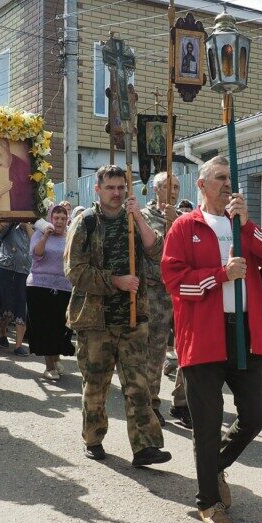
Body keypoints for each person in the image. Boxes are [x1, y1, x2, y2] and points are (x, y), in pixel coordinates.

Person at [162, 156, 262, 523]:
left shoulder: (242, 226)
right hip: (203, 334)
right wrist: (220, 275)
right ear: (201, 186)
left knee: (255, 413)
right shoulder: (185, 227)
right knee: (207, 421)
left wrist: (248, 225)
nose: (227, 184)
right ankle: (208, 502)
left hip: (246, 332)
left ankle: (213, 468)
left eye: (229, 178)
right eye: (219, 178)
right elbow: (175, 282)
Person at [64, 164, 170, 467]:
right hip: (95, 320)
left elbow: (156, 252)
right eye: (110, 188)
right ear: (97, 190)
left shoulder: (133, 219)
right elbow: (74, 271)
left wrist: (138, 217)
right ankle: (93, 437)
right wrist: (115, 281)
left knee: (138, 384)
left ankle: (145, 446)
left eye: (121, 187)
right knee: (96, 383)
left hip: (134, 317)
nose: (117, 193)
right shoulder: (85, 223)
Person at [141, 172, 191, 427]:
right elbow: (152, 251)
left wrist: (176, 223)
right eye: (168, 186)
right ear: (156, 189)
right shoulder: (143, 217)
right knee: (156, 351)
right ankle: (151, 403)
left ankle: (182, 402)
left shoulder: (184, 219)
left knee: (187, 350)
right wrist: (168, 226)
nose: (173, 191)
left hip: (182, 292)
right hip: (156, 292)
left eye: (177, 187)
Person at [27, 203, 74, 382]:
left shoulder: (70, 235)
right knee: (45, 327)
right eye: (56, 218)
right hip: (39, 287)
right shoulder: (40, 232)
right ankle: (49, 366)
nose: (60, 221)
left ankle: (56, 357)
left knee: (60, 327)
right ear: (50, 219)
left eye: (63, 218)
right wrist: (46, 235)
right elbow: (36, 254)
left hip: (64, 287)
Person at [0, 220, 33, 355]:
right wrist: (5, 222)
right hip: (6, 269)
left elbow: (36, 244)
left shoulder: (35, 226)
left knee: (22, 304)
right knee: (6, 303)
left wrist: (27, 227)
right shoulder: (10, 224)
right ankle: (2, 331)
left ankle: (18, 345)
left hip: (25, 270)